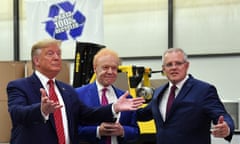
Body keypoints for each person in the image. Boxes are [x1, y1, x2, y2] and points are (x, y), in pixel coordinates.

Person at [6, 39, 145, 144]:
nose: (57, 57)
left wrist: (114, 108)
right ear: (36, 61)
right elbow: (17, 113)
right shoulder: (19, 86)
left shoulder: (66, 90)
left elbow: (87, 114)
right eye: (50, 54)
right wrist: (41, 110)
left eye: (59, 54)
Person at [136, 48, 235, 144]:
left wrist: (227, 128)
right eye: (169, 64)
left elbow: (222, 115)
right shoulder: (158, 93)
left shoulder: (204, 90)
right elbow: (142, 115)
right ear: (164, 69)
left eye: (178, 63)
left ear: (187, 66)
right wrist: (121, 108)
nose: (174, 67)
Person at [75, 48, 140, 144]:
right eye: (105, 67)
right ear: (95, 68)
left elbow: (136, 131)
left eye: (114, 68)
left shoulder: (126, 98)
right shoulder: (78, 95)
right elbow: (71, 129)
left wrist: (122, 131)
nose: (110, 72)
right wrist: (97, 131)